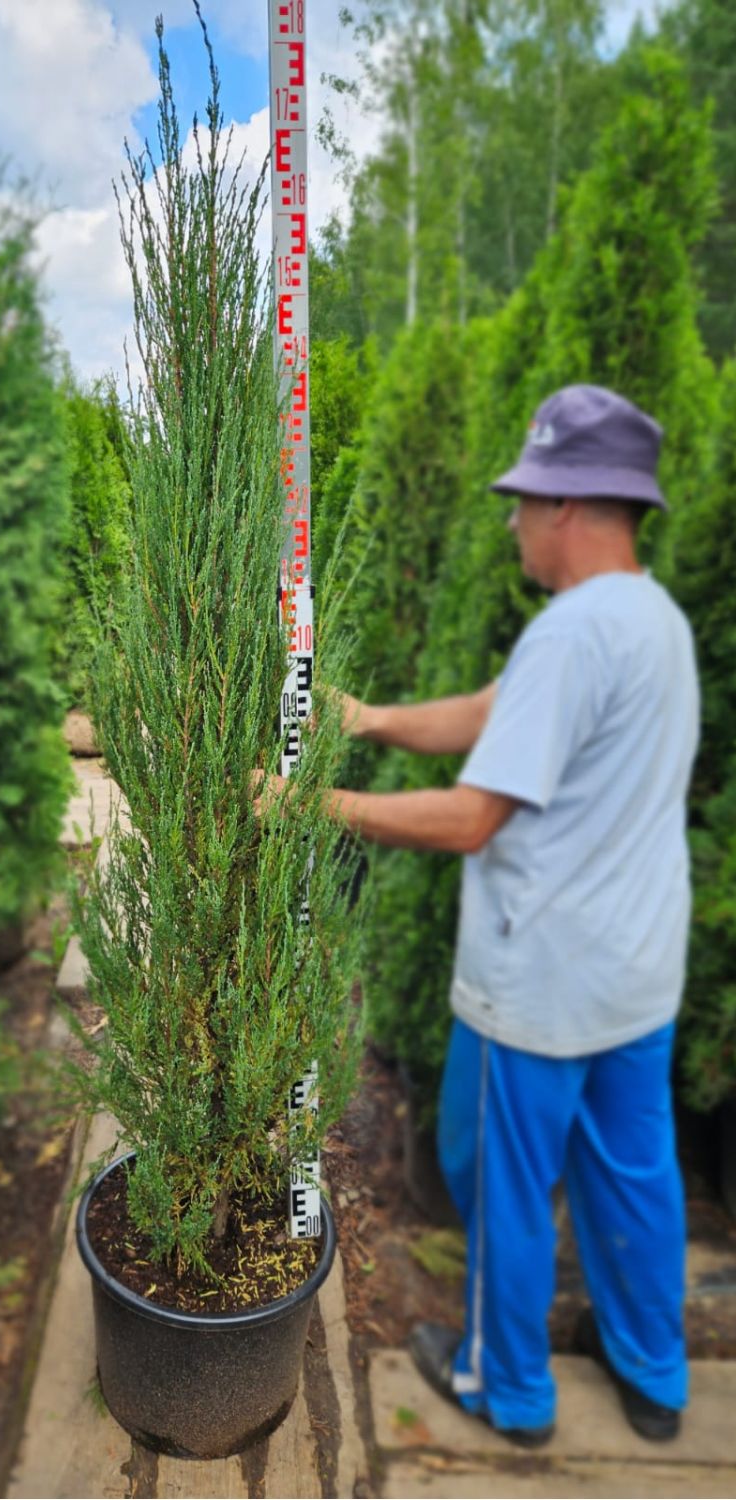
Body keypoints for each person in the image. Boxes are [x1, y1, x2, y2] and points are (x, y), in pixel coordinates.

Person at [256, 384, 699, 1447]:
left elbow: (470, 820)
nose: (510, 521)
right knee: (634, 1178)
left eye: (522, 500)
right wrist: (362, 720)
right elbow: (496, 716)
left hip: (539, 988)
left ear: (564, 506)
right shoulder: (651, 620)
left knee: (497, 1184)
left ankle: (509, 1390)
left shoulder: (569, 633)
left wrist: (308, 800)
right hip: (636, 976)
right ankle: (652, 1374)